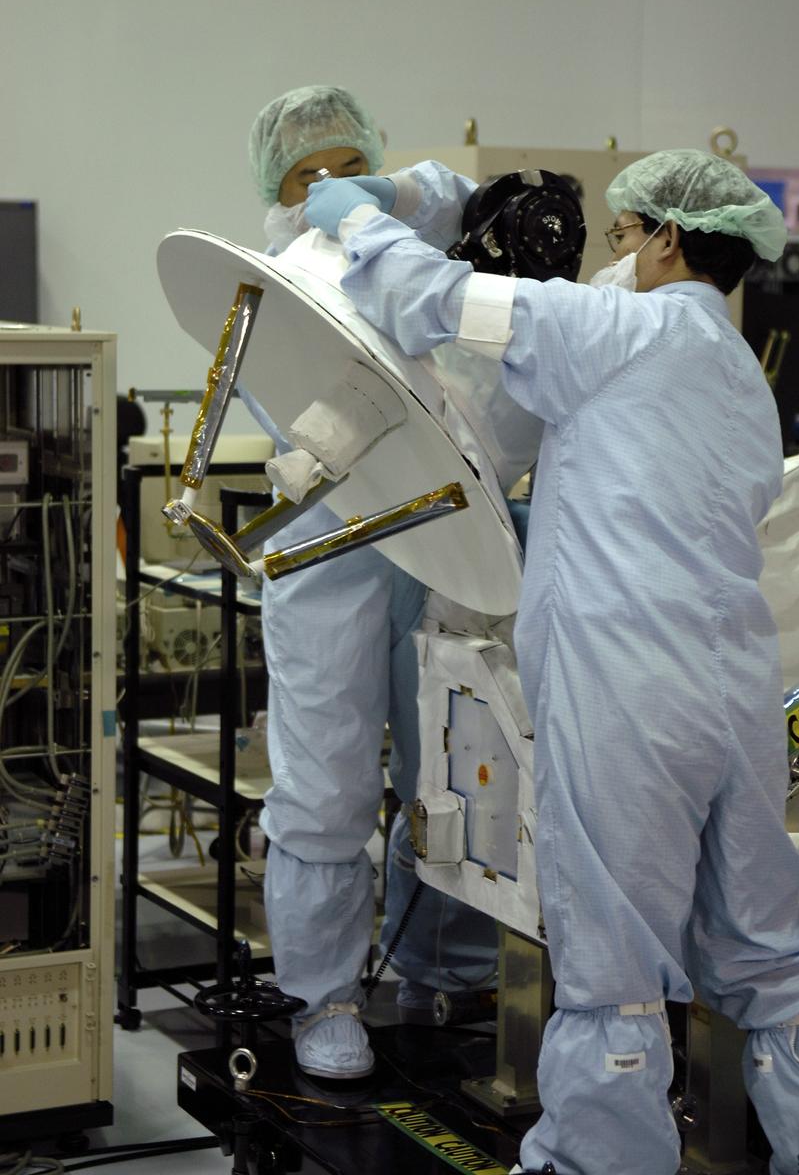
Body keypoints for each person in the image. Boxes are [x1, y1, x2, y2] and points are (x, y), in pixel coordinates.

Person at [304, 150, 799, 1172]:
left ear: (668, 238)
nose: (614, 255)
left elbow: (430, 297)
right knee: (767, 955)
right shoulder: (734, 368)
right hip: (731, 688)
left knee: (612, 963)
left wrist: (357, 218)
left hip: (624, 692)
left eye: (622, 234)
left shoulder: (619, 330)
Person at [243, 87, 498, 1080]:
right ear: (275, 189)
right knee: (327, 779)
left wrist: (386, 195)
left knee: (455, 761)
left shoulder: (408, 250)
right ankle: (325, 994)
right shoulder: (270, 282)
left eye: (351, 166)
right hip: (331, 549)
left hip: (437, 530)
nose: (330, 187)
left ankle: (444, 965)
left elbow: (464, 199)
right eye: (308, 175)